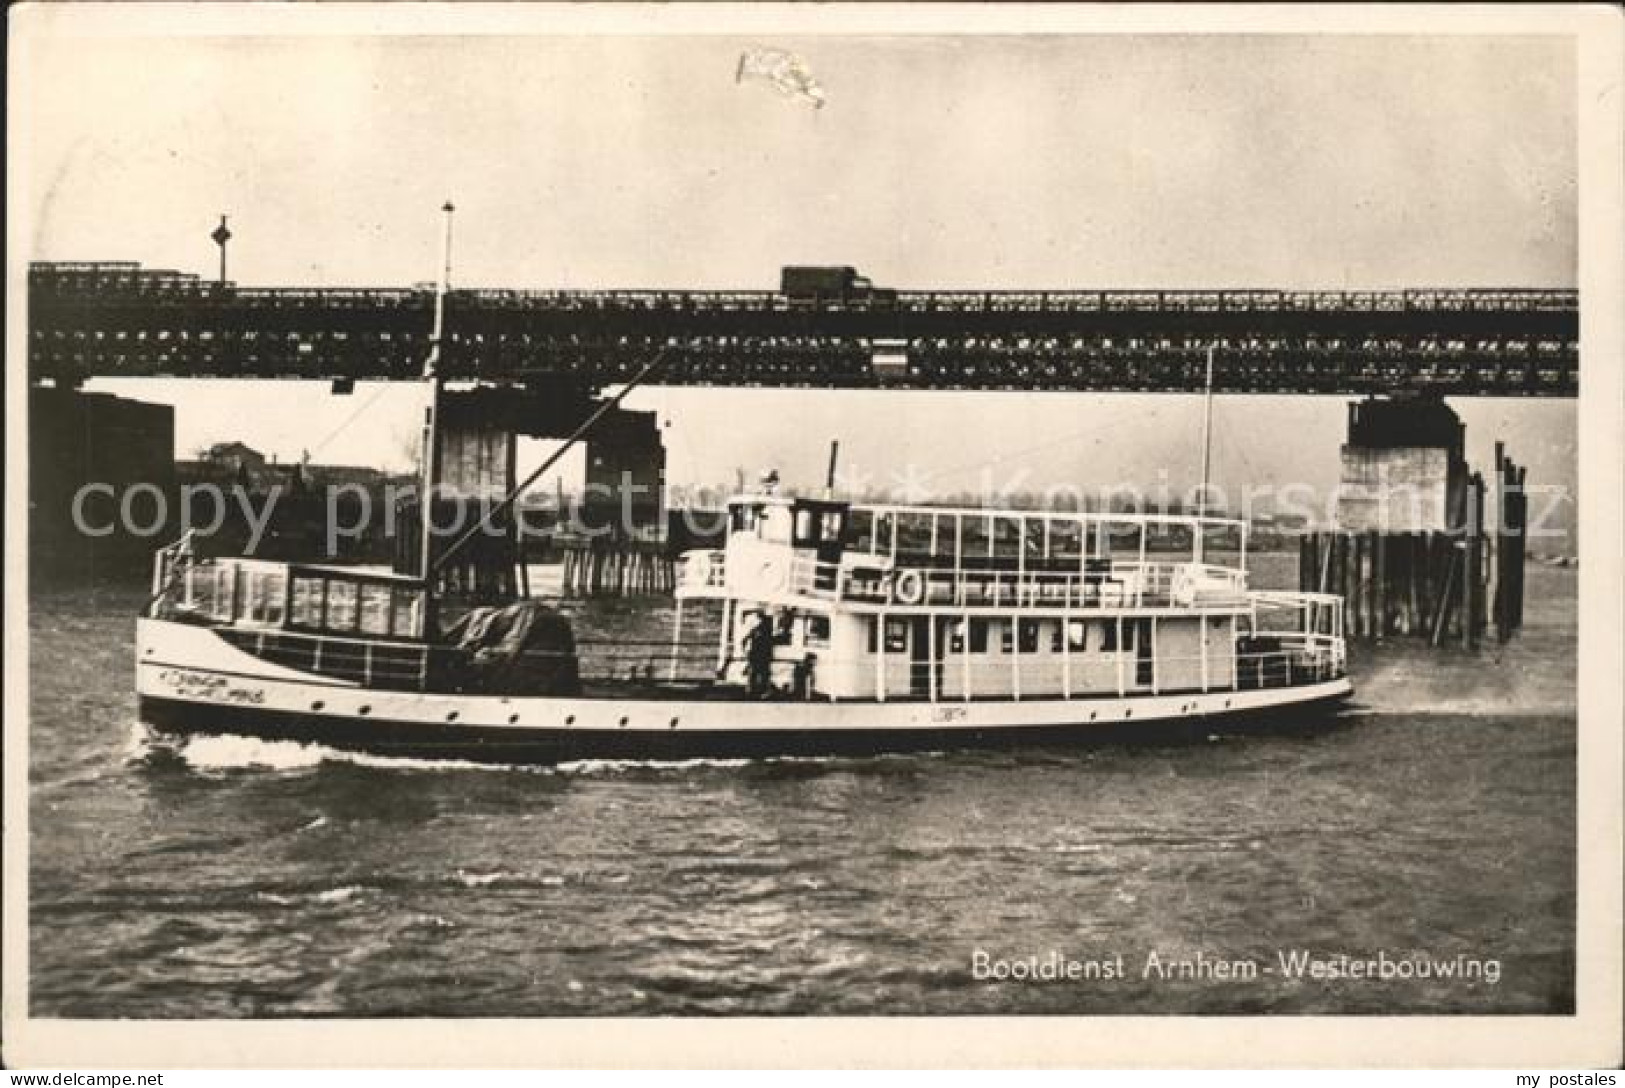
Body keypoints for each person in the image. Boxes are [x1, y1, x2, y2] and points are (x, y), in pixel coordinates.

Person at [745, 611, 777, 698]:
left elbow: (746, 640)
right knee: (759, 674)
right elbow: (746, 640)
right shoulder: (760, 630)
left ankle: (756, 690)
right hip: (759, 656)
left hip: (760, 656)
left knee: (760, 674)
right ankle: (754, 690)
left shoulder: (762, 630)